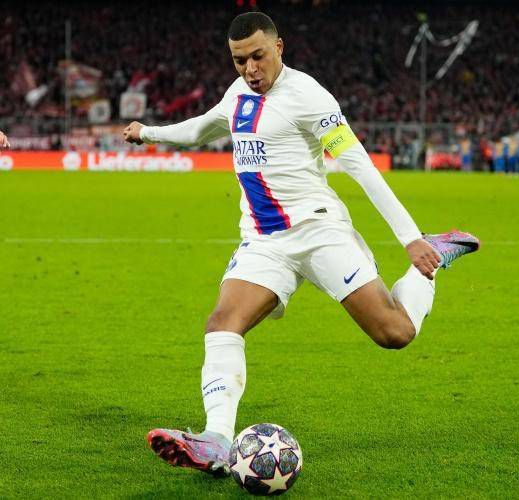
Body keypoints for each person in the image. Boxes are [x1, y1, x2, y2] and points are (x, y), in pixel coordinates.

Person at [122, 12, 479, 477]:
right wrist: (147, 133)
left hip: (318, 232)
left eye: (258, 56)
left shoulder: (310, 97)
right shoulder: (237, 94)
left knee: (395, 334)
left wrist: (410, 240)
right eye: (239, 60)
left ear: (279, 48)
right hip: (264, 242)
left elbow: (360, 166)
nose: (250, 69)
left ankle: (430, 261)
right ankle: (215, 440)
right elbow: (201, 128)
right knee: (222, 323)